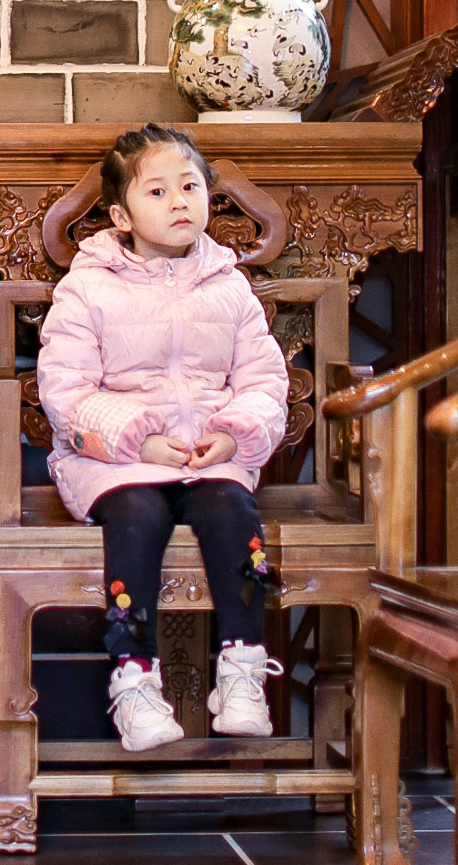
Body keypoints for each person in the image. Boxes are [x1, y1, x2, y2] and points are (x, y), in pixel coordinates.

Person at [36, 124, 290, 754]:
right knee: (137, 516)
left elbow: (263, 380)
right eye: (157, 191)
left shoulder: (229, 286)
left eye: (191, 187)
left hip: (209, 457)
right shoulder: (87, 287)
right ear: (121, 216)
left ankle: (243, 671)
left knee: (232, 510)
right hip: (116, 464)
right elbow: (65, 390)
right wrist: (137, 442)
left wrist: (233, 436)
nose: (179, 202)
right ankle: (134, 679)